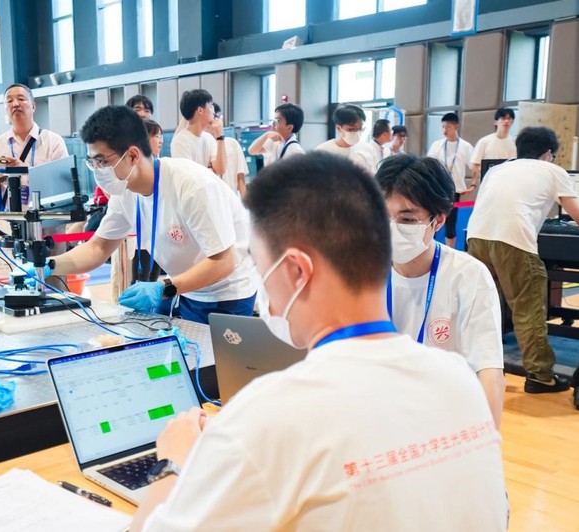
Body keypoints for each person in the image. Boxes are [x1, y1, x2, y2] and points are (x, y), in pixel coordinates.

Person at [131, 152, 508, 531]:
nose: (260, 291)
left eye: (260, 267)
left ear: (297, 270)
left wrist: (174, 463)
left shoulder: (268, 419)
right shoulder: (459, 382)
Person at [49, 105, 256, 325]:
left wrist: (163, 287)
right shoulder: (124, 190)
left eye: (103, 161)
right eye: (93, 162)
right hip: (181, 285)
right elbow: (98, 248)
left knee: (208, 348)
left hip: (225, 291)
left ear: (132, 155)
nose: (98, 170)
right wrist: (48, 265)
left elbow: (224, 262)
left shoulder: (193, 186)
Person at [376, 154, 505, 427]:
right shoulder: (360, 272)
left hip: (443, 417)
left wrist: (487, 441)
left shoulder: (468, 276)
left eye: (407, 220)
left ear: (438, 221)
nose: (392, 229)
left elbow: (489, 370)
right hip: (380, 413)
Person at [467, 126, 579, 394]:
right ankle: (540, 376)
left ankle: (479, 366)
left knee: (483, 307)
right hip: (513, 241)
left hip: (476, 237)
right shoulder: (552, 170)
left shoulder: (497, 170)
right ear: (548, 153)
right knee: (528, 308)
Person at [0, 83, 69, 209]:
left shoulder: (53, 141)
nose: (15, 104)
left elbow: (62, 185)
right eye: (9, 101)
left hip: (45, 215)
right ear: (6, 109)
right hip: (11, 217)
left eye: (21, 99)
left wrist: (24, 170)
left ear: (33, 106)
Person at [426, 113, 474, 248]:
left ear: (456, 127)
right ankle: (429, 249)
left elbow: (475, 166)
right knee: (432, 220)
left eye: (448, 127)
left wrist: (473, 184)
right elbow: (428, 165)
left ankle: (449, 251)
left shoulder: (465, 146)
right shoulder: (437, 145)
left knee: (450, 224)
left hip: (454, 190)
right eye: (443, 127)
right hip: (437, 188)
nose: (444, 130)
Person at [131, 118, 165, 283]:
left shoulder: (164, 168)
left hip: (159, 238)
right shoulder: (132, 171)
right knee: (140, 279)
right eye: (156, 136)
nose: (160, 140)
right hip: (142, 239)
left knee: (153, 280)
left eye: (161, 136)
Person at [170, 89, 226, 176]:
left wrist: (220, 137)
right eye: (210, 106)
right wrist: (211, 170)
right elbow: (190, 176)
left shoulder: (209, 138)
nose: (213, 111)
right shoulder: (180, 141)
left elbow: (220, 170)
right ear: (200, 110)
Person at [314, 104, 373, 173]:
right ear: (339, 128)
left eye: (360, 128)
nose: (356, 132)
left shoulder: (366, 148)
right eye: (351, 129)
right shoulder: (323, 151)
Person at [247, 102, 305, 166]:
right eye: (274, 120)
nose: (273, 123)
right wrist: (266, 135)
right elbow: (252, 151)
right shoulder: (275, 141)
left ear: (289, 128)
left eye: (277, 121)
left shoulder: (296, 151)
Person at [471, 107, 517, 183]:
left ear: (512, 122)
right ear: (496, 122)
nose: (506, 121)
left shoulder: (515, 142)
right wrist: (487, 174)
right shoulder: (484, 141)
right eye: (503, 118)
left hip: (508, 181)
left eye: (509, 119)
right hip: (489, 181)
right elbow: (475, 164)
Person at [213, 103, 249, 198]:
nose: (215, 122)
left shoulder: (232, 144)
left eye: (217, 117)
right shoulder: (203, 144)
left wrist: (246, 204)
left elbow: (240, 178)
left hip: (231, 199)